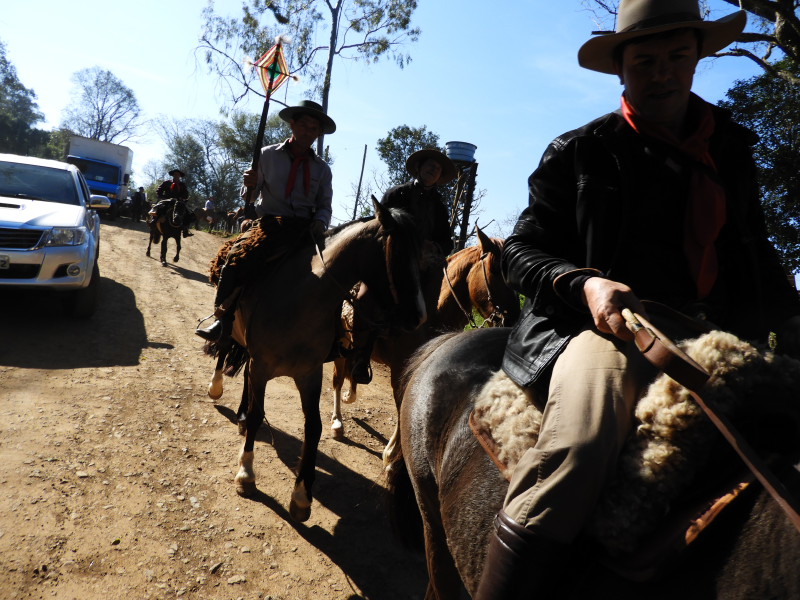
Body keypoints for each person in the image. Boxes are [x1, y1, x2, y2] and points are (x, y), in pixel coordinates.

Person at [476, 1, 800, 598]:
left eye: (677, 57)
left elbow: (759, 258)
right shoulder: (579, 150)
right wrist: (585, 283)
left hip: (714, 336)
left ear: (699, 60)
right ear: (621, 71)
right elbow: (519, 250)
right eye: (645, 60)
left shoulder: (731, 148)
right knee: (578, 449)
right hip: (605, 330)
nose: (662, 73)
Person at [195, 100, 335, 344]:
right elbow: (250, 197)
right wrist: (248, 185)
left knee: (335, 274)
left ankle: (332, 338)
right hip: (269, 225)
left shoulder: (322, 169)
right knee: (235, 260)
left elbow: (324, 205)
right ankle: (222, 320)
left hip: (305, 230)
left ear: (319, 133)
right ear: (292, 125)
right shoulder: (267, 155)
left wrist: (320, 223)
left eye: (314, 129)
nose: (309, 132)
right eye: (304, 125)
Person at [349, 149, 456, 383]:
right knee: (364, 299)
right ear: (418, 168)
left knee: (431, 303)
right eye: (430, 166)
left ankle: (426, 347)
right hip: (392, 258)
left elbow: (447, 241)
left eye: (437, 170)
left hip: (423, 263)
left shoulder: (439, 205)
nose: (433, 171)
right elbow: (378, 225)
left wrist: (434, 247)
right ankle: (361, 356)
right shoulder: (397, 193)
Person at [153, 169, 193, 238]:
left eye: (178, 175)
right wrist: (162, 197)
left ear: (180, 176)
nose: (176, 176)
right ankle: (153, 223)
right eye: (175, 174)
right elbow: (159, 190)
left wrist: (181, 198)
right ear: (173, 175)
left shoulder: (182, 185)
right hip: (167, 201)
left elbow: (186, 194)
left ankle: (185, 229)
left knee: (188, 212)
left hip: (178, 202)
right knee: (158, 209)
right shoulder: (166, 183)